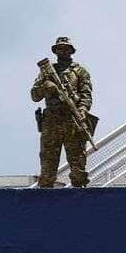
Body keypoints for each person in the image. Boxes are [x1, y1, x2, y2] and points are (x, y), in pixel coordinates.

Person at [30, 37, 93, 188]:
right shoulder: (46, 72)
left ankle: (80, 196)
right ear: (55, 51)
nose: (63, 51)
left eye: (66, 48)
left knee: (78, 168)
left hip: (73, 121)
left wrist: (82, 110)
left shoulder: (80, 71)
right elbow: (34, 95)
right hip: (52, 122)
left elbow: (86, 95)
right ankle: (45, 197)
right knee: (48, 166)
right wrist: (45, 86)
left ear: (71, 51)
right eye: (60, 48)